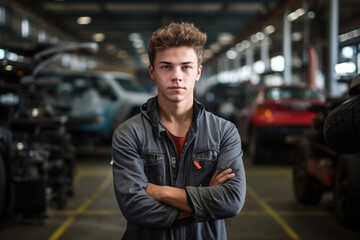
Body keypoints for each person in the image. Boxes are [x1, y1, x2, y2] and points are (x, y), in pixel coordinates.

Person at [112, 22, 246, 240]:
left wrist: (160, 192)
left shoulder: (224, 132)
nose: (177, 75)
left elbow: (231, 201)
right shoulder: (128, 134)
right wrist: (204, 201)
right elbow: (134, 206)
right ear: (152, 71)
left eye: (186, 66)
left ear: (198, 72)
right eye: (166, 66)